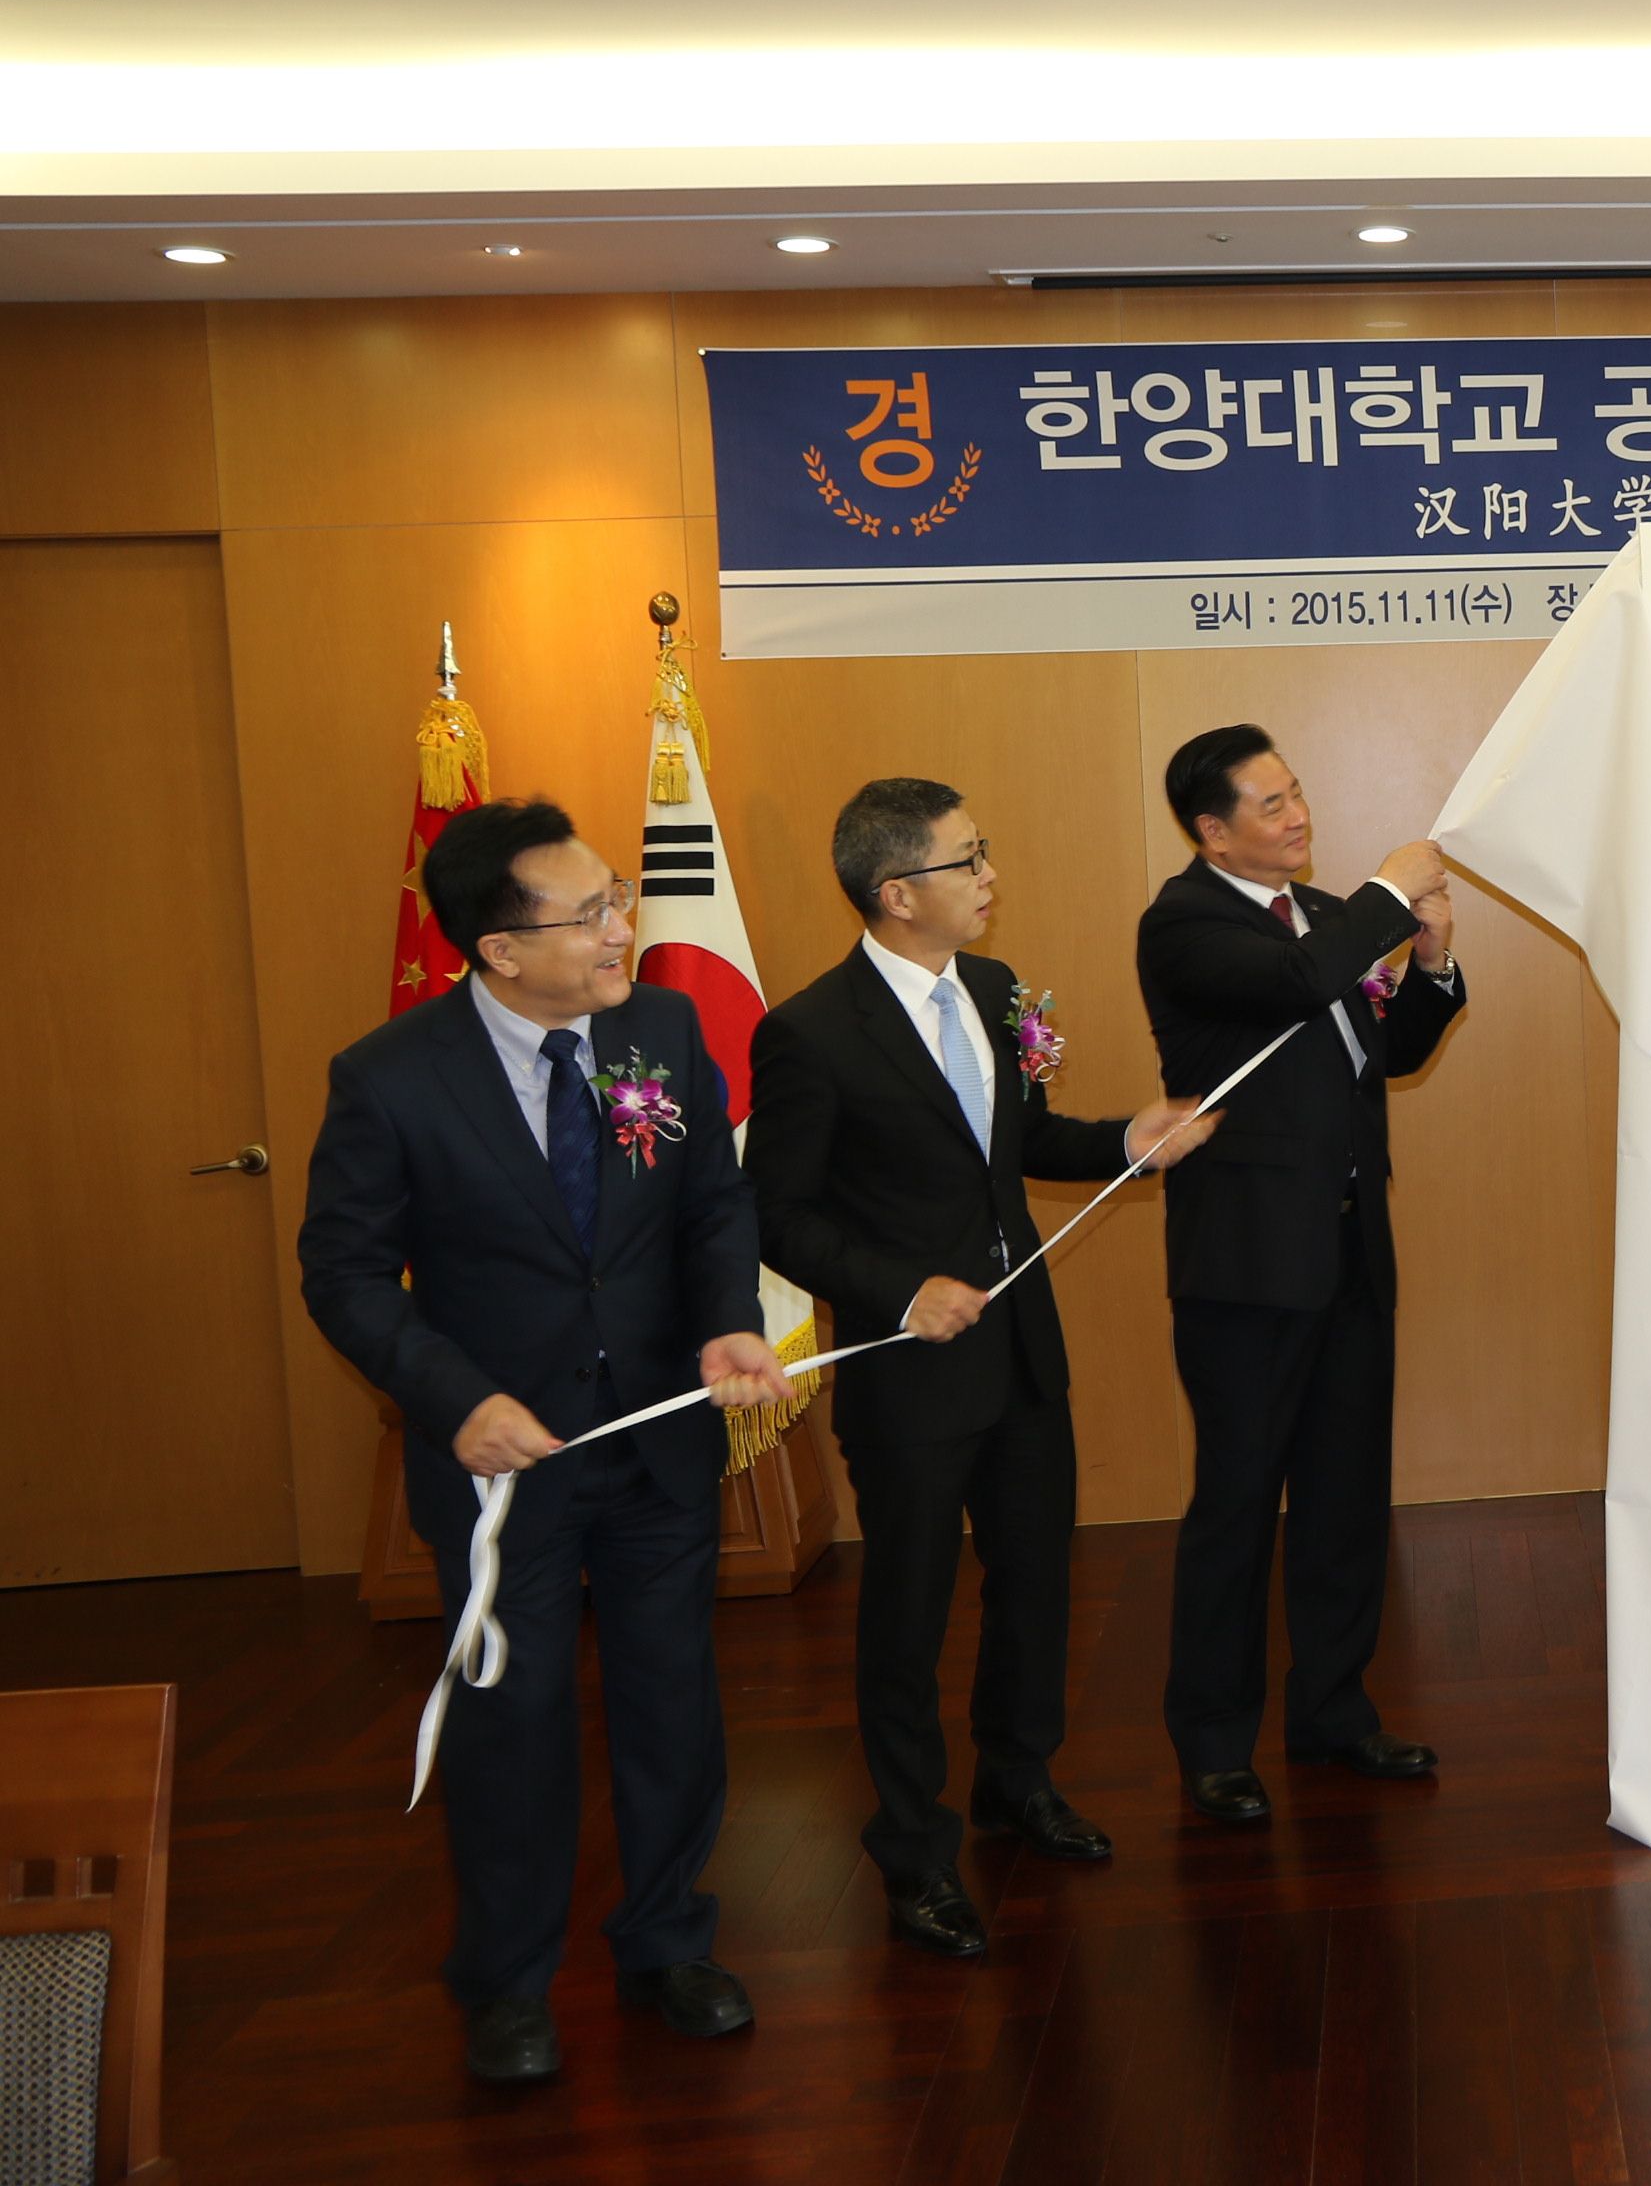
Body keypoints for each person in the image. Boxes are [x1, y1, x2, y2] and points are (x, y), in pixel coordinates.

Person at [296, 798, 792, 2084]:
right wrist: (452, 1396)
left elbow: (712, 1202)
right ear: (501, 949)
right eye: (591, 914)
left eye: (617, 895)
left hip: (656, 1440)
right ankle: (508, 1981)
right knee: (511, 1720)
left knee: (671, 1701)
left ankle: (668, 1940)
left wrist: (729, 1323)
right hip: (498, 1466)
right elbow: (344, 1274)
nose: (623, 926)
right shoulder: (391, 1075)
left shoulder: (661, 1027)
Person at [746, 780, 1215, 1960]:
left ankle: (1020, 1780)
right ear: (897, 893)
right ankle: (913, 1849)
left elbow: (1017, 1145)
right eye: (967, 859)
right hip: (910, 1373)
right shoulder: (810, 1030)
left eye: (984, 850)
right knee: (908, 1615)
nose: (990, 874)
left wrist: (1125, 1139)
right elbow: (779, 1214)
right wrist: (900, 1291)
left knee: (1036, 1582)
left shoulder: (995, 988)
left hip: (1021, 1352)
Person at [1138, 726, 1465, 1825]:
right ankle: (1214, 1744)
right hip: (1247, 1267)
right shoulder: (1185, 923)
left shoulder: (1325, 914)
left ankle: (1334, 1712)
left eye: (1297, 792)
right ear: (1211, 829)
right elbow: (1297, 983)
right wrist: (1391, 891)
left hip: (1352, 1252)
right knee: (1238, 1506)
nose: (1298, 815)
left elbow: (1386, 1051)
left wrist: (1430, 964)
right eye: (1270, 803)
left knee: (1344, 1499)